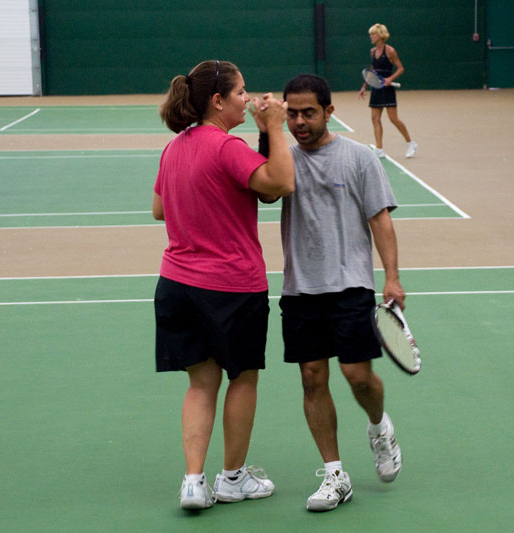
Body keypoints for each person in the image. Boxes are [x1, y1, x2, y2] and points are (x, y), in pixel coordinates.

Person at [253, 74, 405, 512]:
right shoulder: (284, 157)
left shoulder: (359, 157)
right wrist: (266, 132)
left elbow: (380, 220)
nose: (300, 122)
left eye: (309, 113)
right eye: (292, 114)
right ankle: (335, 474)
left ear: (329, 112)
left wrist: (392, 277)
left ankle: (378, 426)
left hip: (351, 284)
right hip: (300, 288)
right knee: (312, 377)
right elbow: (265, 193)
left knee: (358, 376)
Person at [152, 59, 295, 510]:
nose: (247, 99)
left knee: (200, 384)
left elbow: (159, 209)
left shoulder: (174, 147)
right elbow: (281, 182)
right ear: (218, 101)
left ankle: (193, 482)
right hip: (232, 285)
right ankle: (232, 478)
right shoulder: (227, 147)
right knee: (243, 378)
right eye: (240, 92)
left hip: (176, 284)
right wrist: (277, 126)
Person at [358, 23, 417, 159]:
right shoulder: (372, 51)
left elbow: (401, 68)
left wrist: (390, 78)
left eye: (373, 34)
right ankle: (379, 149)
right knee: (375, 119)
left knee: (393, 118)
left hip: (387, 89)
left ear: (380, 35)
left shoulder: (390, 51)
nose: (371, 36)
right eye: (371, 34)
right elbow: (372, 70)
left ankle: (410, 143)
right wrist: (364, 86)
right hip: (376, 88)